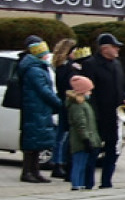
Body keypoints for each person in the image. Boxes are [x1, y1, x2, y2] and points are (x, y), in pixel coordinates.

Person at [80, 32, 125, 188]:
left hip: (114, 115)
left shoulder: (117, 65)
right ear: (104, 48)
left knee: (112, 150)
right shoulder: (91, 64)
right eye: (115, 47)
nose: (117, 50)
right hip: (98, 115)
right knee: (93, 150)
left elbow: (123, 87)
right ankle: (88, 183)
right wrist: (93, 115)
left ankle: (106, 182)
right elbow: (89, 92)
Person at [17, 35, 62, 183]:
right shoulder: (34, 70)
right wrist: (58, 103)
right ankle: (27, 172)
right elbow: (44, 90)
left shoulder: (37, 67)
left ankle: (35, 171)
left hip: (39, 108)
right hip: (35, 109)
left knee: (37, 142)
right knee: (32, 141)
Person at [50, 37, 80, 179]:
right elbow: (67, 85)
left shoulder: (63, 66)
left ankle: (58, 162)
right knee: (63, 135)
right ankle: (58, 162)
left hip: (64, 102)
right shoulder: (66, 67)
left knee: (61, 134)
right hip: (66, 103)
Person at [66, 74, 101, 190]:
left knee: (82, 164)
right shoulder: (78, 106)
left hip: (84, 139)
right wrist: (86, 139)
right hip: (80, 140)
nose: (90, 93)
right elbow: (81, 124)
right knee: (78, 164)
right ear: (82, 91)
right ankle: (76, 184)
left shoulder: (83, 104)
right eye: (89, 91)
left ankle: (79, 184)